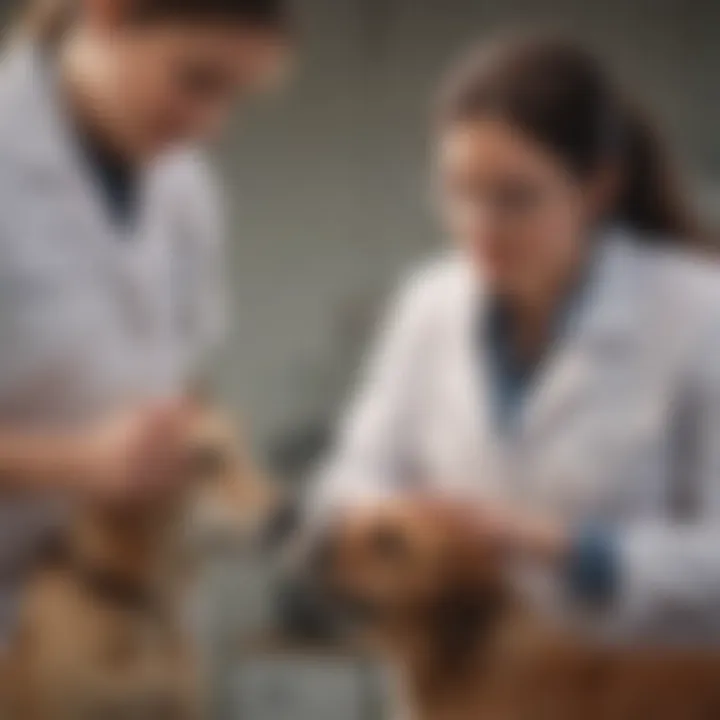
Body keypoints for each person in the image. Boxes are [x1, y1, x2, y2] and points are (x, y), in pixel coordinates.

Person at [313, 35, 720, 643]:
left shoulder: (696, 309)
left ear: (598, 188)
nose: (479, 226)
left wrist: (567, 548)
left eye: (514, 198)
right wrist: (397, 523)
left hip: (636, 683)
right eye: (458, 191)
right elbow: (351, 480)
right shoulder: (430, 303)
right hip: (465, 686)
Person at [0, 0, 289, 645]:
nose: (210, 124)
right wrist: (75, 463)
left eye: (234, 97)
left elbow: (176, 370)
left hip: (128, 613)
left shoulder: (187, 189)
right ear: (107, 14)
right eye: (196, 80)